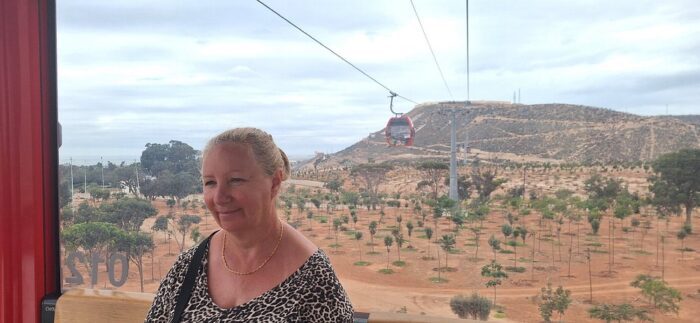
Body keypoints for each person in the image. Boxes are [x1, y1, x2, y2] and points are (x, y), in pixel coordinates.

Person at [146, 127, 353, 322]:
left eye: (235, 180)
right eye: (210, 182)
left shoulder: (314, 281)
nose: (219, 197)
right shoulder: (189, 266)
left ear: (274, 182)